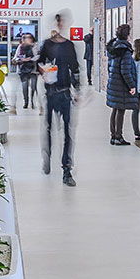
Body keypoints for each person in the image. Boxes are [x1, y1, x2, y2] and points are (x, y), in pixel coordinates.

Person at [38, 9, 81, 185]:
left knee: (68, 132)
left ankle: (66, 170)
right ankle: (46, 158)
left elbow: (76, 69)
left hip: (64, 93)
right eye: (59, 21)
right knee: (48, 129)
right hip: (51, 92)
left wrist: (77, 90)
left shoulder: (69, 46)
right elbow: (38, 63)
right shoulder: (47, 44)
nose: (61, 24)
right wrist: (44, 70)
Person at [105, 24, 140, 146]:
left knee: (115, 109)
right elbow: (125, 71)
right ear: (127, 35)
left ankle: (113, 136)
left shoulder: (113, 48)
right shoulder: (125, 51)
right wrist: (131, 86)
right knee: (120, 110)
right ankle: (118, 137)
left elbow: (110, 67)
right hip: (121, 85)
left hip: (114, 83)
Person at [14, 33, 39, 109]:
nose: (25, 39)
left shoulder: (35, 46)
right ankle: (26, 102)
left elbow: (38, 56)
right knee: (24, 87)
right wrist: (21, 59)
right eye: (23, 37)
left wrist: (30, 59)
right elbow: (15, 57)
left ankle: (32, 101)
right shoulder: (20, 47)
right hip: (23, 70)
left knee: (33, 87)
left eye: (27, 37)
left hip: (33, 70)